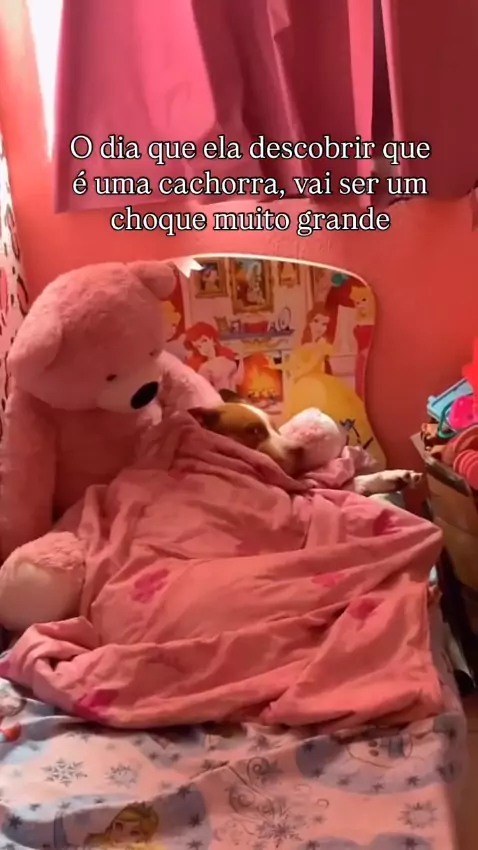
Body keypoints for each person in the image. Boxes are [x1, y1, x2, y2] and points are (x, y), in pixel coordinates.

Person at [282, 305, 375, 452]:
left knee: (329, 419)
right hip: (303, 386)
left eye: (324, 324)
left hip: (317, 384)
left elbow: (311, 364)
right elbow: (294, 364)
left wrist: (297, 374)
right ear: (309, 321)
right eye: (316, 321)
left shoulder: (322, 344)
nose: (320, 327)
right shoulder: (304, 342)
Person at [184, 321, 244, 392]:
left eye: (204, 341)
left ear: (212, 338)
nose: (203, 347)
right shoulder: (203, 367)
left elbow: (239, 379)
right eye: (198, 346)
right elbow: (203, 390)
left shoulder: (228, 357)